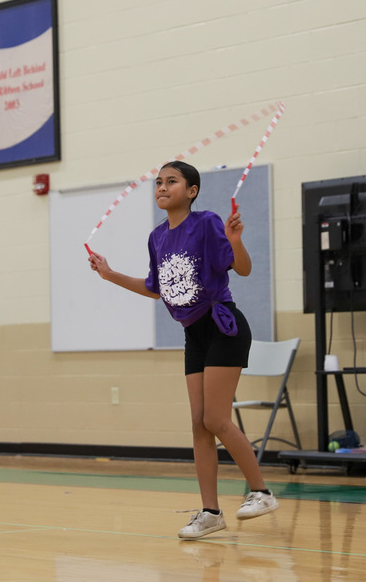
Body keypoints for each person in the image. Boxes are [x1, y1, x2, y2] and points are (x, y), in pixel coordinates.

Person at [88, 160, 278, 539]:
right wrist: (110, 275)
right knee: (199, 424)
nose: (162, 187)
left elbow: (242, 269)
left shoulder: (206, 223)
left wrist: (235, 241)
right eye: (159, 182)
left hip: (223, 326)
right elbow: (155, 288)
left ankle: (261, 492)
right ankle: (211, 513)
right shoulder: (156, 237)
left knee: (216, 420)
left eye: (171, 181)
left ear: (191, 191)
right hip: (194, 335)